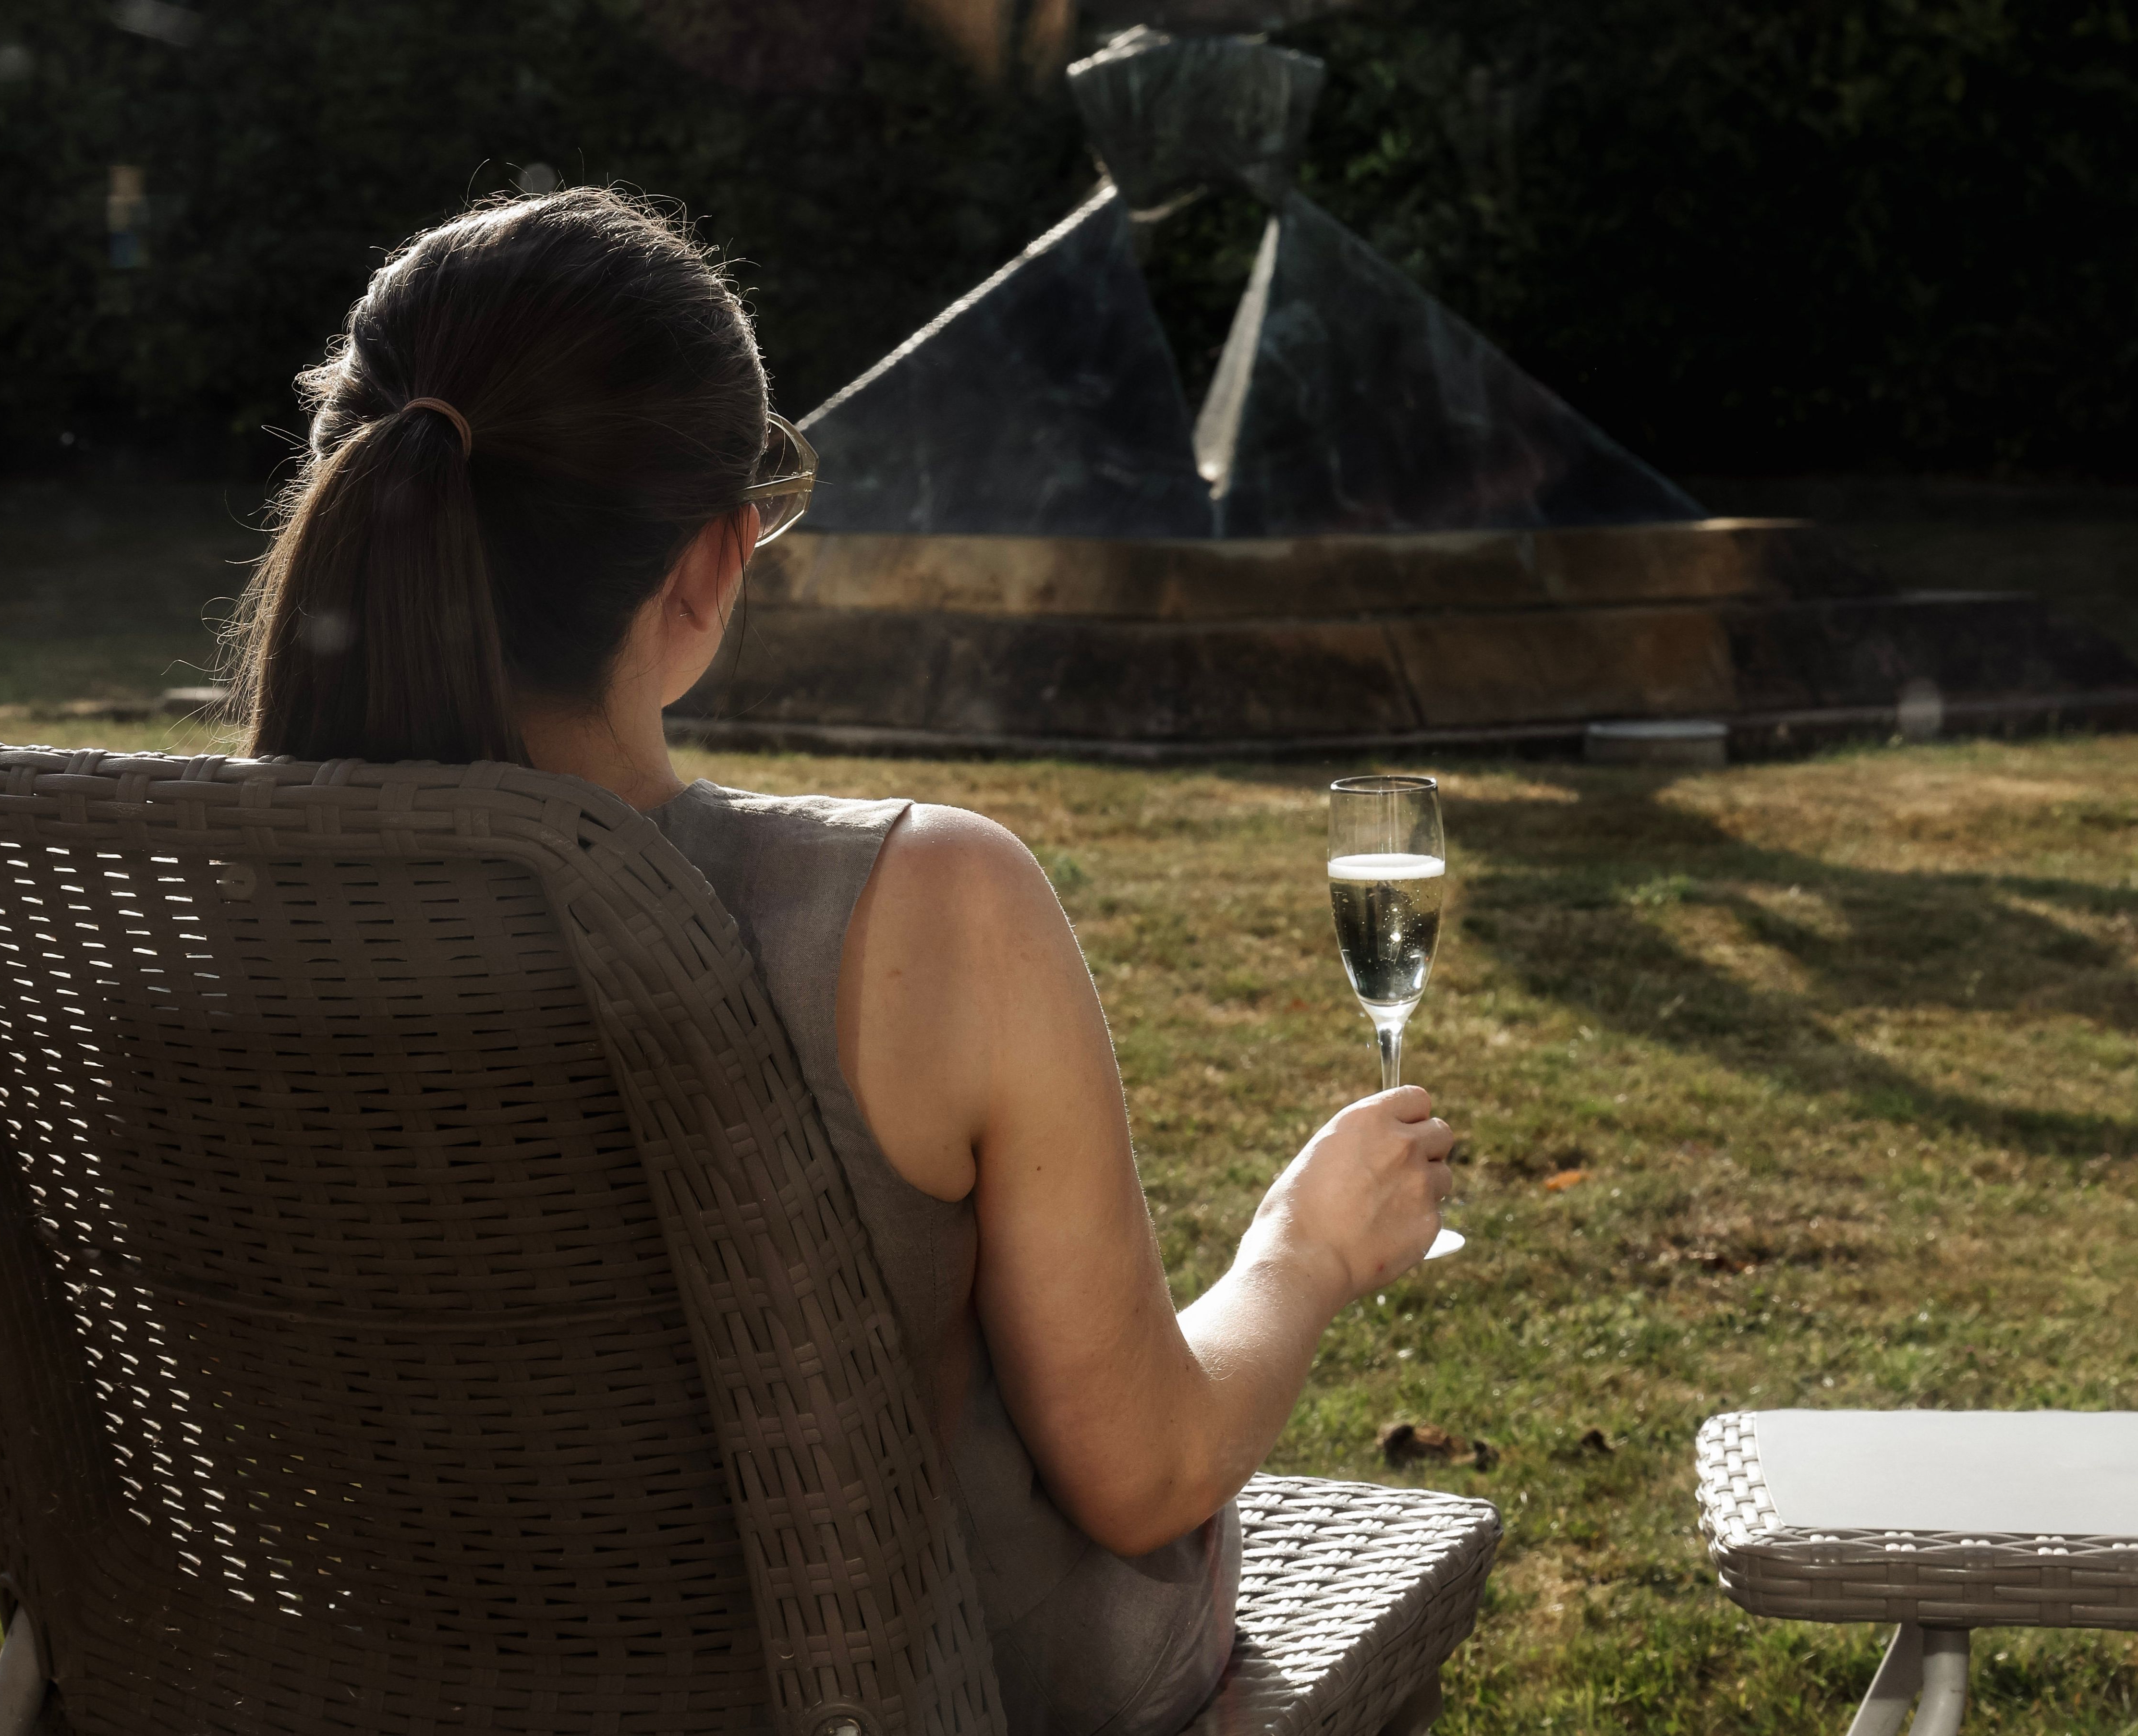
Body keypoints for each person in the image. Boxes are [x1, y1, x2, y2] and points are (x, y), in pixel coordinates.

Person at [231, 187, 1456, 1736]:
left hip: (363, 1682)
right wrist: (1303, 1249)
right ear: (709, 560)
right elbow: (1142, 1473)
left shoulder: (177, 911)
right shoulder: (919, 910)